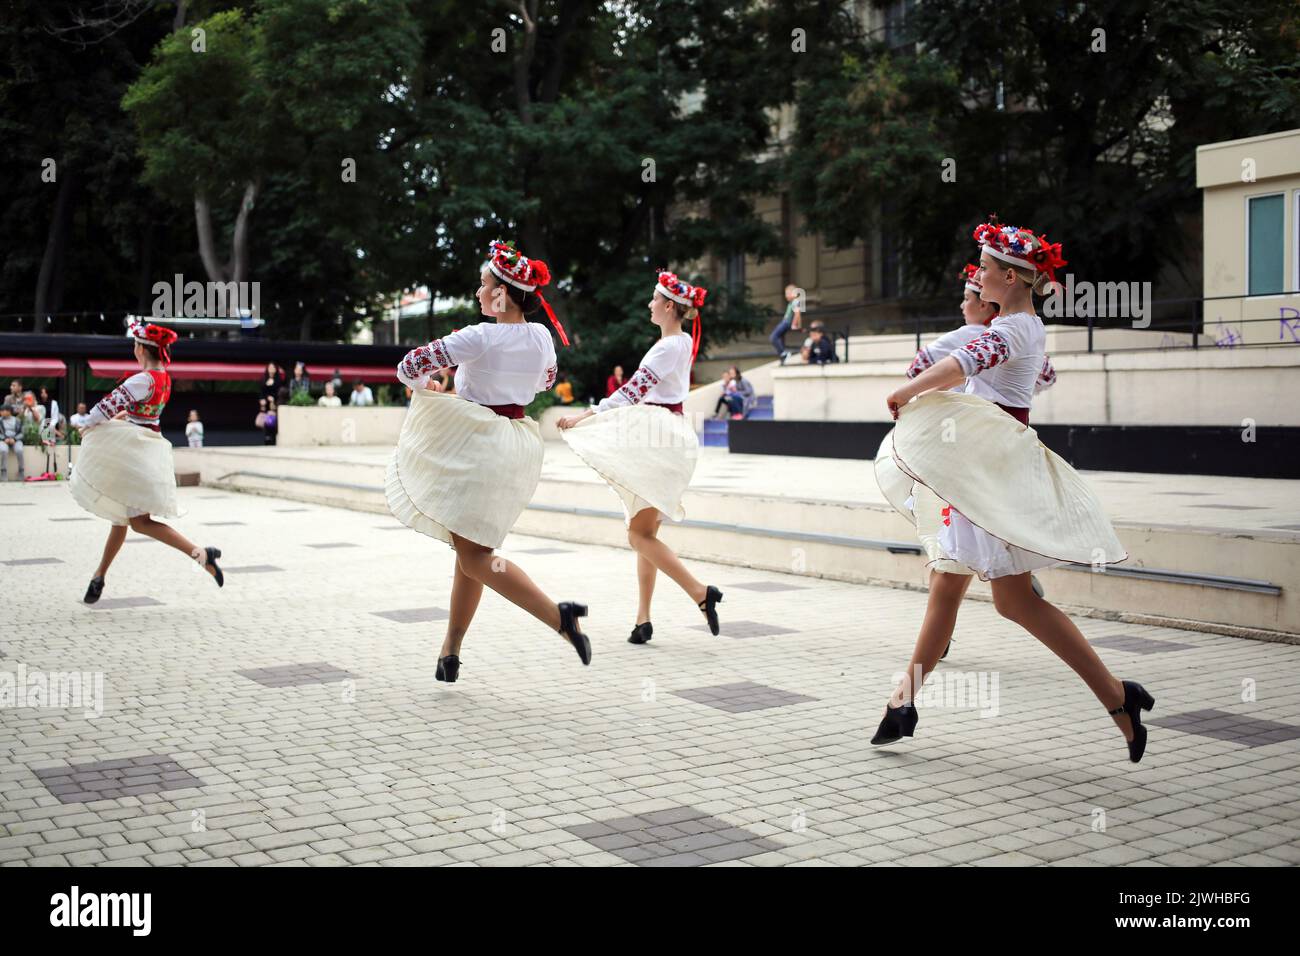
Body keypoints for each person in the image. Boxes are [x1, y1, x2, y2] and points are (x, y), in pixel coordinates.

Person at [875, 218, 1152, 763]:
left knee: (1013, 601)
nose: (977, 278)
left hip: (994, 473)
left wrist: (906, 390)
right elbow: (966, 364)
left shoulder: (1021, 326)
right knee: (949, 588)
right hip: (980, 470)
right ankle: (901, 705)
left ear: (1007, 275)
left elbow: (965, 363)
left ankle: (1120, 698)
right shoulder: (1011, 323)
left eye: (983, 270)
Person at [388, 239, 590, 681]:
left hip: (478, 443)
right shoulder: (540, 336)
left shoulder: (478, 336)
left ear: (501, 293)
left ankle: (559, 617)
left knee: (477, 557)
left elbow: (408, 367)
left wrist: (433, 386)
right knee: (472, 550)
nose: (478, 292)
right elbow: (544, 382)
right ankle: (450, 651)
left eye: (483, 285)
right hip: (515, 443)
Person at [558, 270, 724, 645]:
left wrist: (586, 415)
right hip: (663, 433)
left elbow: (633, 390)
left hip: (657, 437)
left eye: (654, 299)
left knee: (638, 535)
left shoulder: (669, 346)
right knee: (645, 532)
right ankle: (643, 620)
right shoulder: (678, 343)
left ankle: (701, 593)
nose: (649, 304)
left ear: (668, 306)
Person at [69, 321, 224, 604]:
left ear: (141, 349)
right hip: (143, 446)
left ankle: (201, 554)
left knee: (138, 522)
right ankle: (98, 577)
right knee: (121, 519)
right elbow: (141, 414)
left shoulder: (142, 379)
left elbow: (106, 405)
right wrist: (111, 420)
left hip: (134, 451)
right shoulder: (163, 377)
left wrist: (85, 423)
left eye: (135, 345)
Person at [769, 284, 803, 364]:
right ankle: (782, 355)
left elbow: (797, 314)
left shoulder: (795, 302)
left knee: (773, 337)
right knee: (779, 338)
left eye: (788, 293)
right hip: (785, 321)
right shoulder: (791, 303)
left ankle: (783, 353)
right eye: (785, 294)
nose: (786, 296)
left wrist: (795, 325)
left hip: (787, 323)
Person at [0, 405, 23, 481]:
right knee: (4, 450)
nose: (1, 412)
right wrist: (4, 438)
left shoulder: (17, 420)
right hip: (3, 440)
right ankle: (3, 473)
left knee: (19, 450)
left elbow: (22, 433)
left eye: (3, 411)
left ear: (9, 411)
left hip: (15, 440)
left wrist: (15, 439)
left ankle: (21, 472)